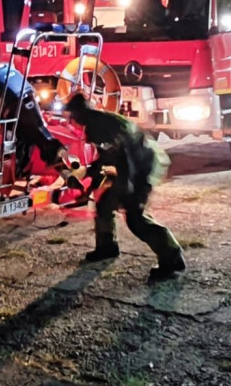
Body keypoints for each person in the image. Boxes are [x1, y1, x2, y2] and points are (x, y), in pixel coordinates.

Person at [62, 93, 186, 283]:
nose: (72, 120)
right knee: (104, 205)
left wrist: (129, 188)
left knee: (135, 218)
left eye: (72, 115)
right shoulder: (99, 121)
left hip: (142, 168)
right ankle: (106, 247)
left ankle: (172, 257)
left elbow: (127, 158)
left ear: (81, 113)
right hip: (132, 166)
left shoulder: (101, 126)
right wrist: (88, 176)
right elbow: (106, 159)